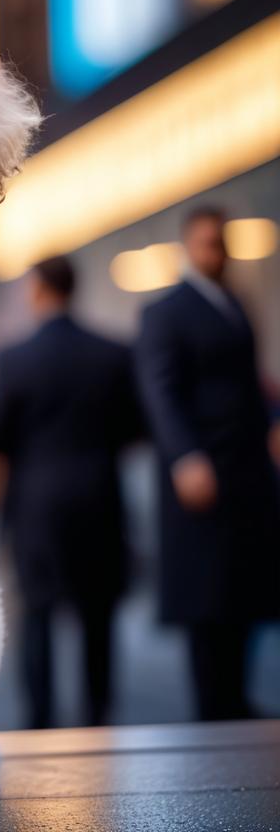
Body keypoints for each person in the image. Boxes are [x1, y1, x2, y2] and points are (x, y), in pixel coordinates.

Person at [0, 256, 140, 728]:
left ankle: (41, 720)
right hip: (100, 497)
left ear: (38, 290)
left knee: (39, 616)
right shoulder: (113, 353)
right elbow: (135, 427)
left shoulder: (13, 358)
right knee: (98, 616)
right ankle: (98, 715)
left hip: (37, 504)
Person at [135, 206, 280, 721]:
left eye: (220, 243)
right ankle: (213, 703)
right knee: (207, 593)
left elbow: (248, 383)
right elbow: (160, 391)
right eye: (206, 244)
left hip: (243, 468)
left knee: (241, 587)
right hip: (202, 469)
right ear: (187, 248)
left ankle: (235, 696)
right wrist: (186, 457)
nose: (214, 253)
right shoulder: (167, 311)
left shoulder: (235, 303)